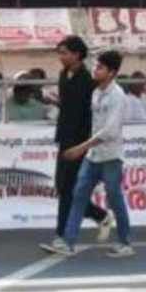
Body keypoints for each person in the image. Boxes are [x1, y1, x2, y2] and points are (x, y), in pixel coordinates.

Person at [41, 50, 134, 258]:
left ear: (111, 72)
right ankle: (68, 241)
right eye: (95, 66)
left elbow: (109, 131)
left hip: (111, 157)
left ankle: (125, 241)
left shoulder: (117, 96)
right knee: (78, 195)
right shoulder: (96, 93)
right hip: (93, 156)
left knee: (115, 199)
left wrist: (80, 148)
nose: (95, 69)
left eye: (100, 67)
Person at [49, 36, 112, 248]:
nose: (61, 57)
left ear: (77, 54)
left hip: (79, 140)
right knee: (62, 186)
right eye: (59, 52)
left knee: (68, 189)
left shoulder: (87, 80)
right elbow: (68, 106)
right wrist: (55, 102)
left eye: (64, 52)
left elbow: (88, 112)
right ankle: (100, 215)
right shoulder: (63, 75)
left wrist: (84, 145)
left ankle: (62, 235)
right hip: (65, 138)